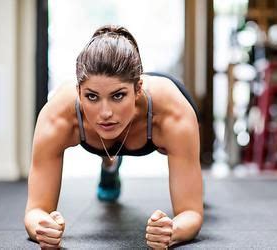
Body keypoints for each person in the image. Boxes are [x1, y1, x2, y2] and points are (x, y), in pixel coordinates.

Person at [24, 24, 203, 249]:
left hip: (154, 117)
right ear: (78, 91)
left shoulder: (172, 114)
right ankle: (110, 161)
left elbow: (191, 212)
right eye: (91, 96)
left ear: (138, 89)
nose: (105, 112)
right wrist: (43, 228)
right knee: (109, 140)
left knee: (191, 162)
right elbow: (35, 210)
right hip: (100, 137)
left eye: (118, 96)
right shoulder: (57, 117)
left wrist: (171, 231)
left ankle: (112, 157)